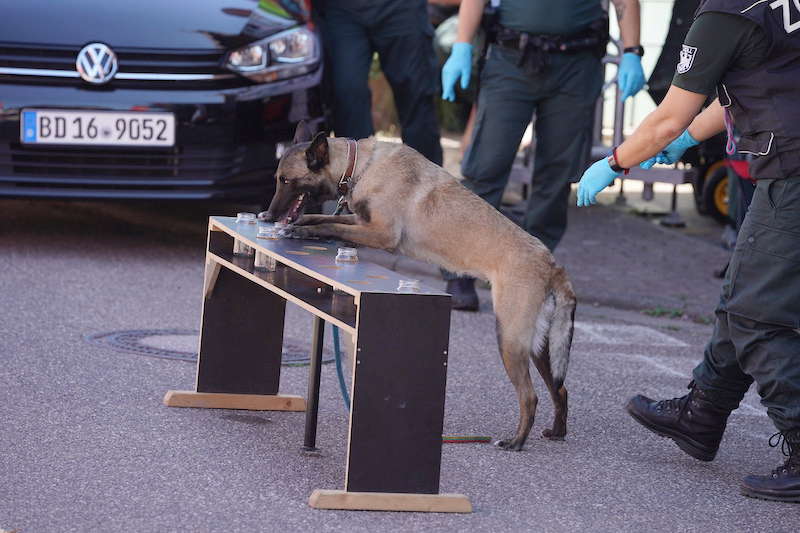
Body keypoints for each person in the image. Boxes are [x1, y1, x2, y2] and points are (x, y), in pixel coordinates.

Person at [576, 0, 800, 503]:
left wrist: (614, 163)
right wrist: (686, 140)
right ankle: (702, 415)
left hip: (792, 171)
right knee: (744, 291)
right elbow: (752, 82)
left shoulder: (726, 12)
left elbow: (666, 118)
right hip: (787, 165)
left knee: (756, 316)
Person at [440, 0, 646, 310]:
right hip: (511, 58)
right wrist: (462, 46)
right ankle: (461, 269)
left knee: (557, 174)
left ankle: (531, 272)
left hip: (576, 64)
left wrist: (632, 53)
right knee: (486, 167)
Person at [313, 0, 443, 166]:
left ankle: (428, 182)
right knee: (347, 95)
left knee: (416, 95)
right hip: (341, 10)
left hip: (401, 8)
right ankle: (356, 183)